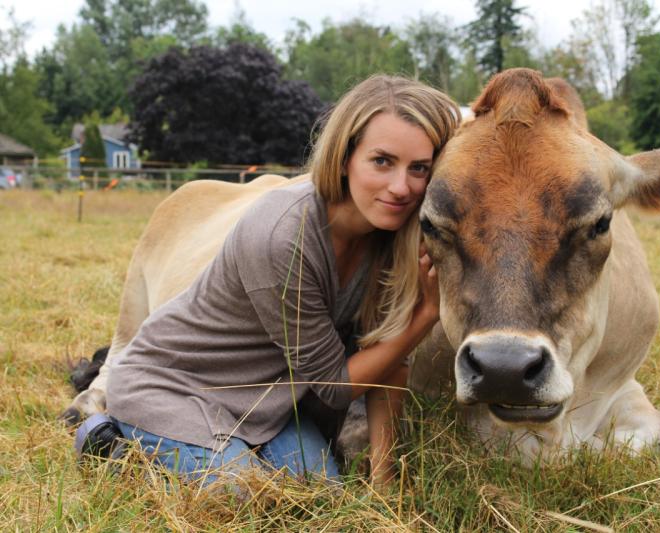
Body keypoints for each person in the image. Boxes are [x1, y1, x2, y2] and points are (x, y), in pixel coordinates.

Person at [99, 75, 460, 487]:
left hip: (266, 406)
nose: (401, 187)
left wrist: (385, 482)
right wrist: (427, 314)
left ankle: (217, 457)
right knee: (242, 494)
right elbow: (334, 388)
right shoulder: (282, 235)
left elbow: (390, 360)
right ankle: (107, 446)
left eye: (419, 169)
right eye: (382, 161)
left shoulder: (396, 236)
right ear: (344, 157)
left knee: (324, 494)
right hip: (175, 387)